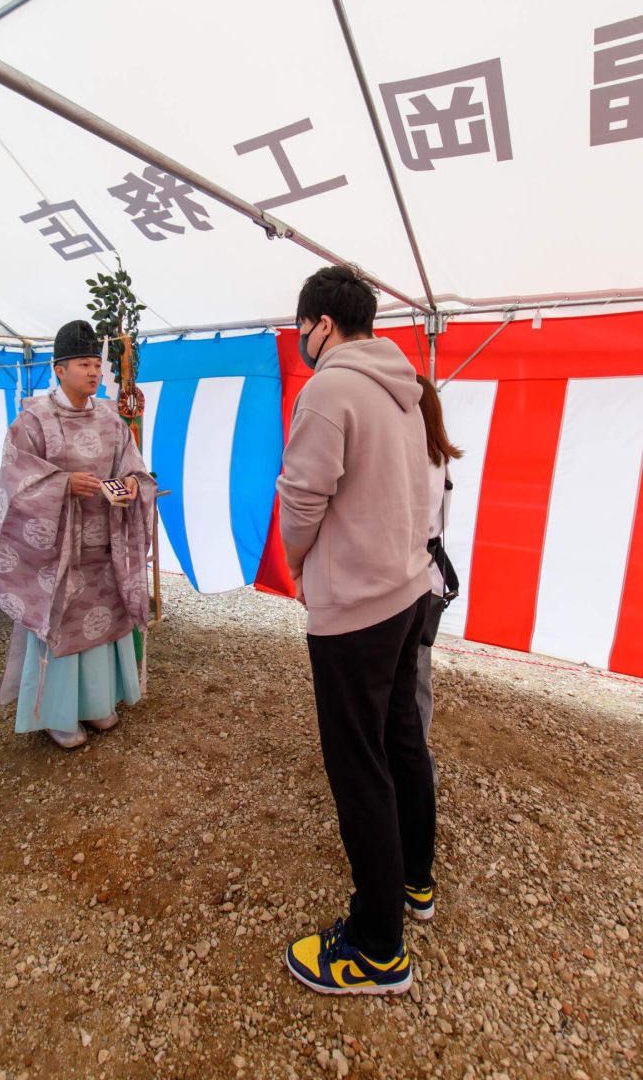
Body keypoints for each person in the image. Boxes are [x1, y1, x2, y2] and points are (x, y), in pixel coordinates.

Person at [278, 265, 435, 997]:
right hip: (406, 590)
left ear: (323, 325)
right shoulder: (406, 383)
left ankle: (378, 948)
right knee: (401, 735)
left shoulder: (330, 389)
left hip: (358, 608)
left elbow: (302, 500)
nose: (300, 339)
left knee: (358, 763)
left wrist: (298, 563)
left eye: (301, 327)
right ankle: (414, 881)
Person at [0, 320, 155, 749]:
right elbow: (15, 481)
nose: (95, 373)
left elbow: (131, 464)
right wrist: (63, 484)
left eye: (97, 364)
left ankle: (98, 702)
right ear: (59, 369)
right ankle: (57, 715)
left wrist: (134, 484)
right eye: (84, 364)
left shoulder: (110, 419)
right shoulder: (33, 420)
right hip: (57, 550)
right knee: (62, 624)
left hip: (105, 544)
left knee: (104, 621)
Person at [415, 374, 462, 786]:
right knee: (418, 676)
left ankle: (415, 769)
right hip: (427, 577)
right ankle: (417, 764)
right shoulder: (439, 458)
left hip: (412, 579)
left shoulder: (418, 459)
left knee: (411, 679)